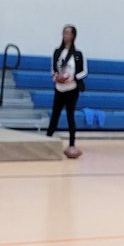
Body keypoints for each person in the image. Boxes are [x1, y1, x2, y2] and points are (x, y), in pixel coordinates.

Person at [45, 24, 86, 159]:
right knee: (55, 115)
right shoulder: (57, 51)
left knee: (70, 116)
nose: (65, 35)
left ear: (73, 35)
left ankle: (72, 144)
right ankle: (47, 141)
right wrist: (55, 77)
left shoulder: (78, 54)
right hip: (59, 88)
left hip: (72, 89)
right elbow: (52, 69)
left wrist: (73, 78)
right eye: (64, 32)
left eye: (68, 33)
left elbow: (84, 71)